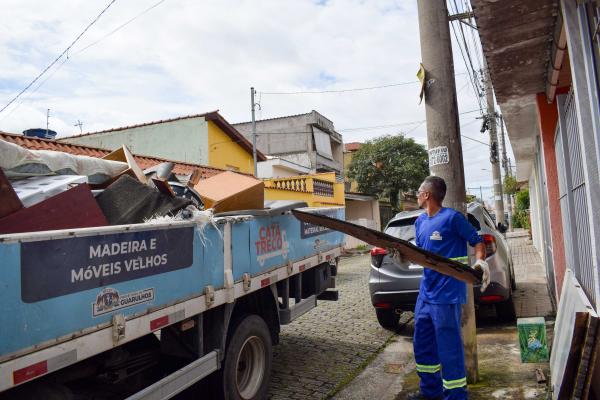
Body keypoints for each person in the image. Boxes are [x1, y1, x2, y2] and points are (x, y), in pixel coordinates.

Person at [406, 176, 490, 400]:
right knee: (422, 344)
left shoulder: (452, 218)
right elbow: (421, 255)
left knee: (449, 349)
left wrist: (480, 262)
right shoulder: (420, 222)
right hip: (426, 294)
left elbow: (478, 242)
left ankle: (455, 396)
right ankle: (430, 392)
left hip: (447, 295)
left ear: (427, 195)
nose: (416, 194)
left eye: (418, 191)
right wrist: (402, 257)